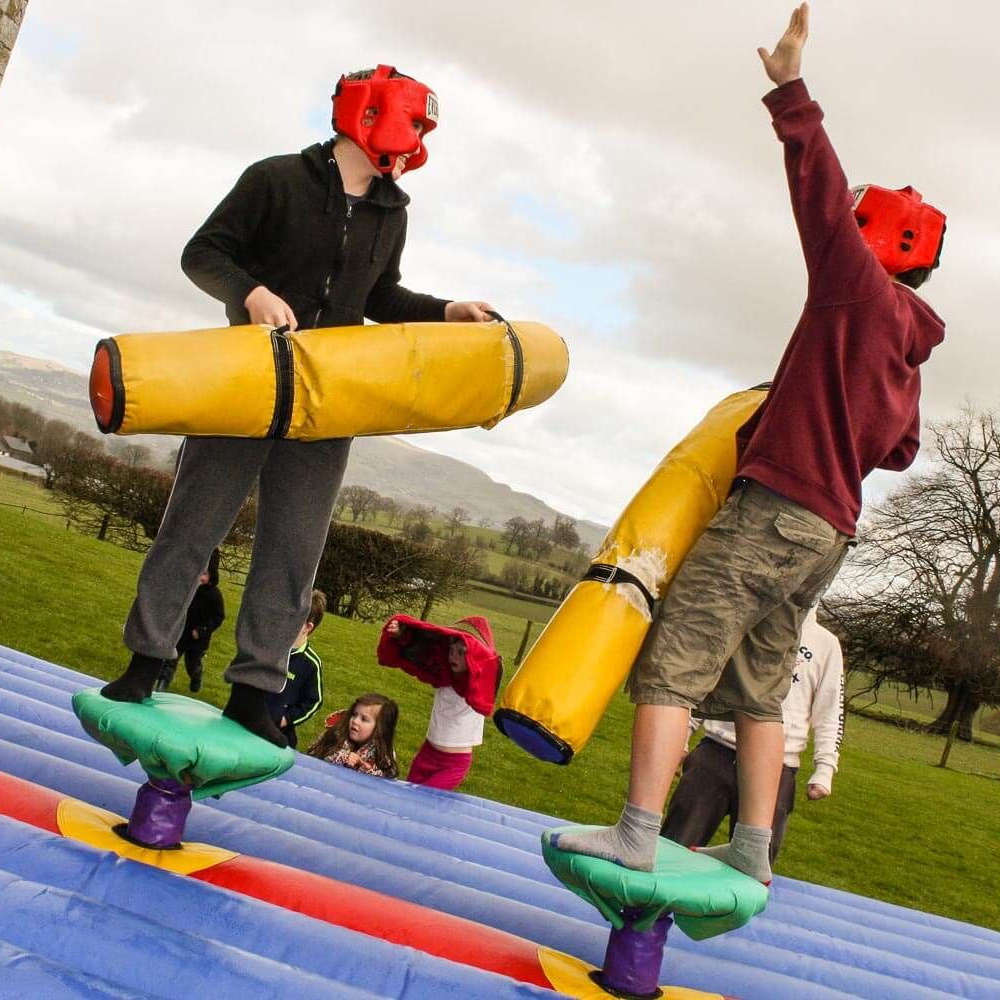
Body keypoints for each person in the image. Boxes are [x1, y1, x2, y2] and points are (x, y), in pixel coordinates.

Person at [553, 4, 946, 886]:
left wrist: (790, 91)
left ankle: (637, 833)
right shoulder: (908, 344)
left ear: (875, 241)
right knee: (762, 688)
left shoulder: (856, 293)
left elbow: (817, 193)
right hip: (829, 534)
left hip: (774, 512)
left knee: (673, 662)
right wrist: (829, 414)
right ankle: (754, 848)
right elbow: (900, 450)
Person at [97, 64, 496, 749]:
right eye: (414, 125)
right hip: (244, 385)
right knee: (191, 528)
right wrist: (250, 293)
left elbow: (380, 297)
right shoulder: (275, 179)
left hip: (327, 401)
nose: (417, 144)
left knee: (293, 553)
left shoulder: (392, 210)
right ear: (368, 116)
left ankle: (254, 691)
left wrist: (447, 311)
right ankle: (145, 663)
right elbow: (204, 254)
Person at [660, 606, 844, 860]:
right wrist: (682, 735)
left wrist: (825, 768)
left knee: (753, 862)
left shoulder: (826, 645)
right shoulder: (747, 621)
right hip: (715, 755)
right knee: (672, 848)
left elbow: (831, 709)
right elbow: (708, 681)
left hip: (777, 768)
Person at [380, 617, 500, 791]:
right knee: (407, 798)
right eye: (451, 650)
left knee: (423, 800)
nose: (454, 656)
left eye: (462, 652)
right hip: (427, 754)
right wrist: (401, 634)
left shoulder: (477, 686)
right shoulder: (443, 675)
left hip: (452, 764)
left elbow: (488, 659)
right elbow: (422, 650)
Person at [265, 590, 327, 748]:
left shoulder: (311, 664)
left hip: (278, 733)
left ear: (307, 627)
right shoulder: (270, 648)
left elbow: (313, 701)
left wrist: (286, 719)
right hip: (253, 720)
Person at [158, 553, 225, 693]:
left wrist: (201, 630)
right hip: (180, 633)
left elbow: (218, 617)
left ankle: (196, 677)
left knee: (192, 664)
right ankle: (162, 685)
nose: (201, 577)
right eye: (199, 572)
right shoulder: (188, 589)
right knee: (170, 660)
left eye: (205, 574)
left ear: (212, 576)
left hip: (197, 639)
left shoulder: (214, 595)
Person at [308, 693, 401, 779]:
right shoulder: (337, 733)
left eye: (364, 719)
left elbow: (389, 779)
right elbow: (313, 753)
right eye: (354, 715)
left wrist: (368, 771)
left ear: (379, 728)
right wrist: (342, 758)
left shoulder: (383, 751)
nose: (355, 721)